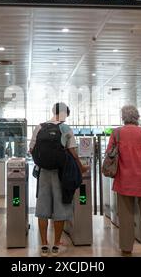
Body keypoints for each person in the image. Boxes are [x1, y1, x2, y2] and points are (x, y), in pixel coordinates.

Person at [29, 102, 89, 257]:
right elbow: (73, 151)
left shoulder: (40, 127)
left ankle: (44, 245)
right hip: (60, 173)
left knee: (42, 209)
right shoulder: (65, 128)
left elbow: (31, 149)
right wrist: (81, 167)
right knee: (60, 208)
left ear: (52, 111)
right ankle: (56, 245)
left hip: (43, 173)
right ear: (65, 114)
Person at [106, 105, 141, 256]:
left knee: (126, 216)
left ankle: (126, 249)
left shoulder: (117, 133)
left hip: (124, 180)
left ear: (123, 117)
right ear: (137, 117)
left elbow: (109, 152)